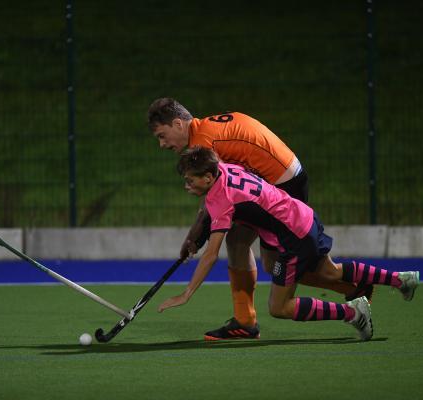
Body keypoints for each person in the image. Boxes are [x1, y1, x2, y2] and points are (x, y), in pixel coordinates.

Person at [147, 97, 372, 341]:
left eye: (162, 135)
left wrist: (196, 237)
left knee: (275, 265)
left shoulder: (202, 142)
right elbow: (220, 197)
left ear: (179, 124)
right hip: (281, 178)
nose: (161, 144)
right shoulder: (205, 129)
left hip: (283, 186)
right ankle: (245, 320)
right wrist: (196, 235)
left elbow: (217, 196)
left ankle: (352, 288)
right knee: (242, 245)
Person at [157, 146, 419, 341]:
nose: (186, 186)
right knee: (331, 272)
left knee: (279, 307)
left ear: (208, 178)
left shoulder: (220, 198)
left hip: (293, 237)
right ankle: (401, 279)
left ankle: (352, 313)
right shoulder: (225, 167)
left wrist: (187, 293)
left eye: (190, 180)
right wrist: (196, 236)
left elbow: (211, 254)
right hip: (303, 216)